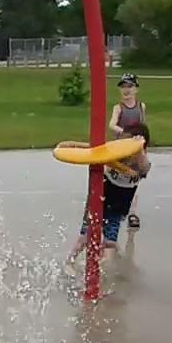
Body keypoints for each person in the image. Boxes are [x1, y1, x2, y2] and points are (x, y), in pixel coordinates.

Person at [61, 124, 151, 277]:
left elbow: (144, 168)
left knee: (110, 242)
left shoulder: (142, 164)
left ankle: (97, 265)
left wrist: (138, 149)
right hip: (101, 198)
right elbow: (99, 155)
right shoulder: (115, 157)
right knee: (86, 234)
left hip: (118, 207)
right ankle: (69, 261)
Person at [109, 73, 145, 232]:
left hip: (135, 148)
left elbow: (143, 125)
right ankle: (113, 206)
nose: (126, 90)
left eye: (129, 86)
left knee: (134, 180)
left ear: (136, 88)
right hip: (121, 147)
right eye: (123, 87)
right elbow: (112, 124)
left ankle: (132, 213)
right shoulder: (118, 108)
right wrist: (124, 132)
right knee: (116, 175)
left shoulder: (141, 106)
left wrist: (143, 142)